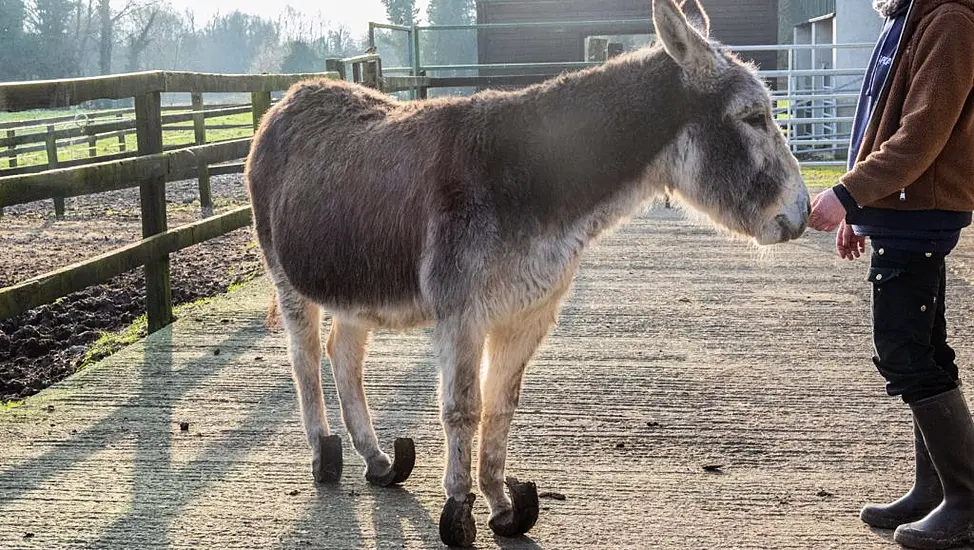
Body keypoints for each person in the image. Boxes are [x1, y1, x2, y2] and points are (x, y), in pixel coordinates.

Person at [808, 0, 974, 548]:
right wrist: (861, 210)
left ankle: (967, 502)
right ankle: (936, 490)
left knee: (903, 349)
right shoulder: (905, 17)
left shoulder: (949, 21)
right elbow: (876, 123)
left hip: (922, 210)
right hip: (902, 210)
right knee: (924, 349)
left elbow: (922, 134)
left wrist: (847, 193)